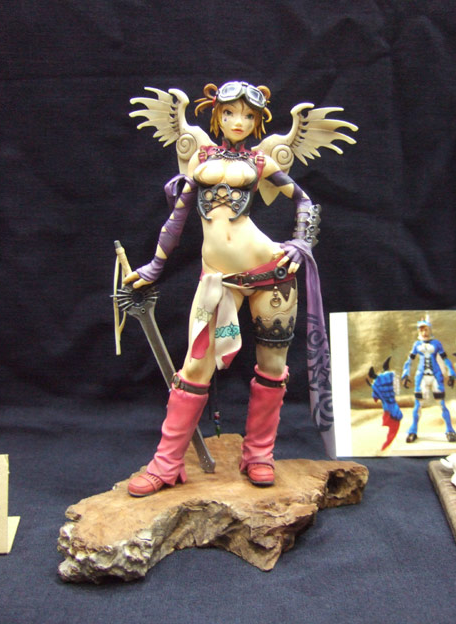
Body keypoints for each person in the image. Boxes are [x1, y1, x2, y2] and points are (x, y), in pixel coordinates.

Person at [124, 81, 355, 496]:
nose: (239, 122)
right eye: (230, 113)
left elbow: (304, 200)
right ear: (217, 114)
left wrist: (301, 242)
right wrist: (155, 265)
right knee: (195, 368)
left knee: (272, 366)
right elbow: (177, 218)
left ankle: (259, 454)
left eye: (248, 116)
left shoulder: (261, 161)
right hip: (219, 280)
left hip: (272, 273)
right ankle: (166, 462)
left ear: (258, 121)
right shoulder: (200, 157)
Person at [401, 320, 456, 442]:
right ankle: (413, 430)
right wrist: (405, 373)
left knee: (441, 403)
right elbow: (409, 360)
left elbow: (445, 358)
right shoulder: (416, 344)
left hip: (435, 376)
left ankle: (450, 429)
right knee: (418, 404)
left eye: (426, 329)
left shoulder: (436, 343)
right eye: (421, 330)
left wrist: (451, 372)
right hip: (421, 377)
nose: (424, 332)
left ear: (430, 330)